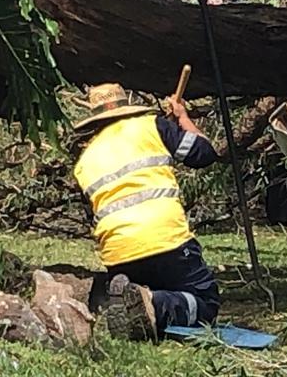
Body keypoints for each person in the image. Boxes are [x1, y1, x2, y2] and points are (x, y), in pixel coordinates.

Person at [70, 83, 221, 340]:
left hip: (118, 253)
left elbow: (92, 214)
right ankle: (154, 302)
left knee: (153, 284)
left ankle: (136, 296)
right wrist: (182, 119)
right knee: (206, 304)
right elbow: (205, 153)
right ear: (127, 106)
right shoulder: (153, 126)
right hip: (166, 240)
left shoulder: (84, 161)